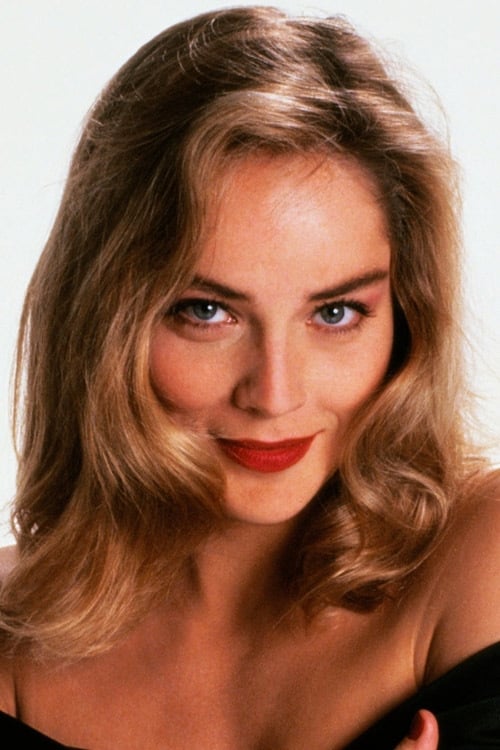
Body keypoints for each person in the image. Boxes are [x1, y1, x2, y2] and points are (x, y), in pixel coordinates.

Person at [0, 6, 498, 748]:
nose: (274, 394)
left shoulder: (483, 558)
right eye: (207, 312)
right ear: (104, 322)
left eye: (335, 313)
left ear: (406, 318)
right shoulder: (14, 640)